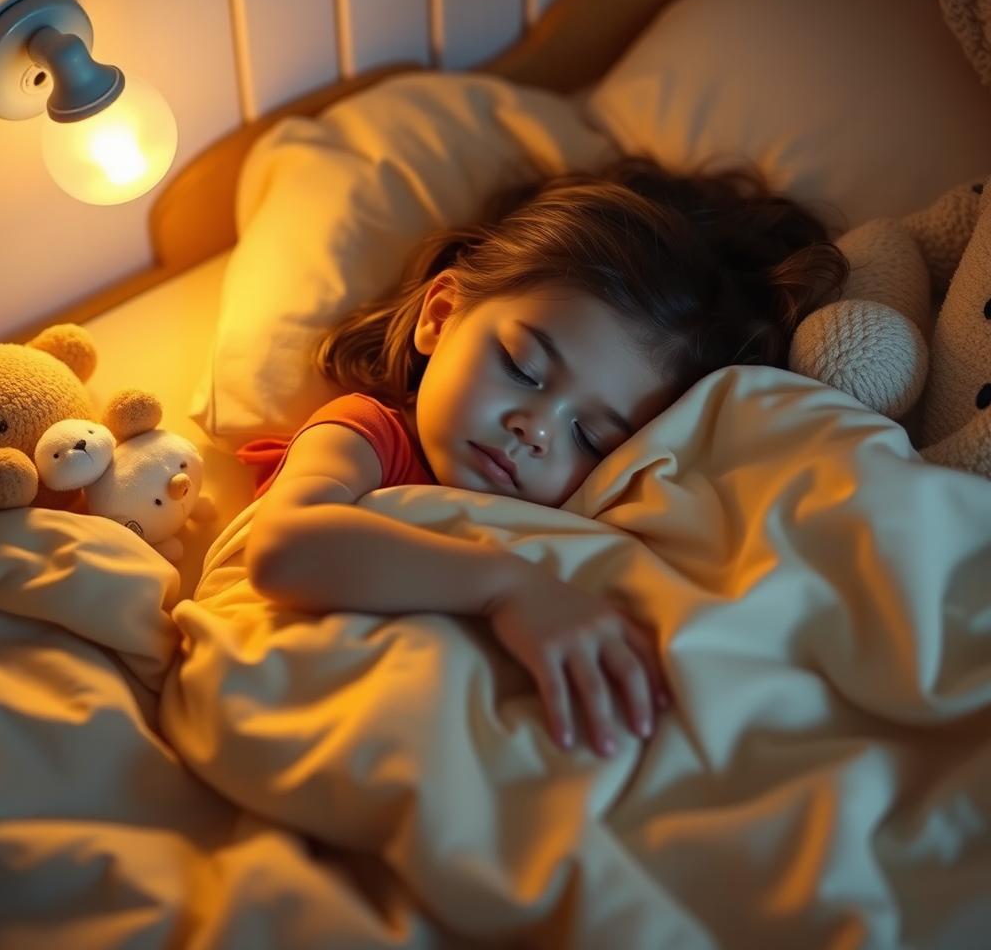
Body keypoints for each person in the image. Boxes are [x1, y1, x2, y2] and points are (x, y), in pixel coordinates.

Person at [240, 156, 848, 759]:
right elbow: (283, 548)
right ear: (442, 313)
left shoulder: (591, 510)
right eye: (522, 368)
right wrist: (506, 588)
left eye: (590, 437)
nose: (535, 432)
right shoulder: (366, 436)